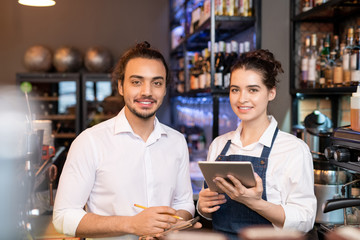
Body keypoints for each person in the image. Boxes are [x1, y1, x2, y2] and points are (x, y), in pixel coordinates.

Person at [53, 42, 198, 239]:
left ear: (164, 89)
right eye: (136, 82)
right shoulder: (90, 142)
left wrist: (165, 226)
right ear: (121, 86)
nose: (147, 91)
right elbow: (63, 217)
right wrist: (132, 224)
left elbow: (184, 204)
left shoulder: (177, 141)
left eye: (156, 83)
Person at [197, 49, 316, 239]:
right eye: (235, 89)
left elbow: (305, 219)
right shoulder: (219, 145)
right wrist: (203, 207)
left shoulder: (293, 149)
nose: (242, 98)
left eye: (253, 90)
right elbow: (210, 212)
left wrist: (255, 203)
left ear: (271, 93)